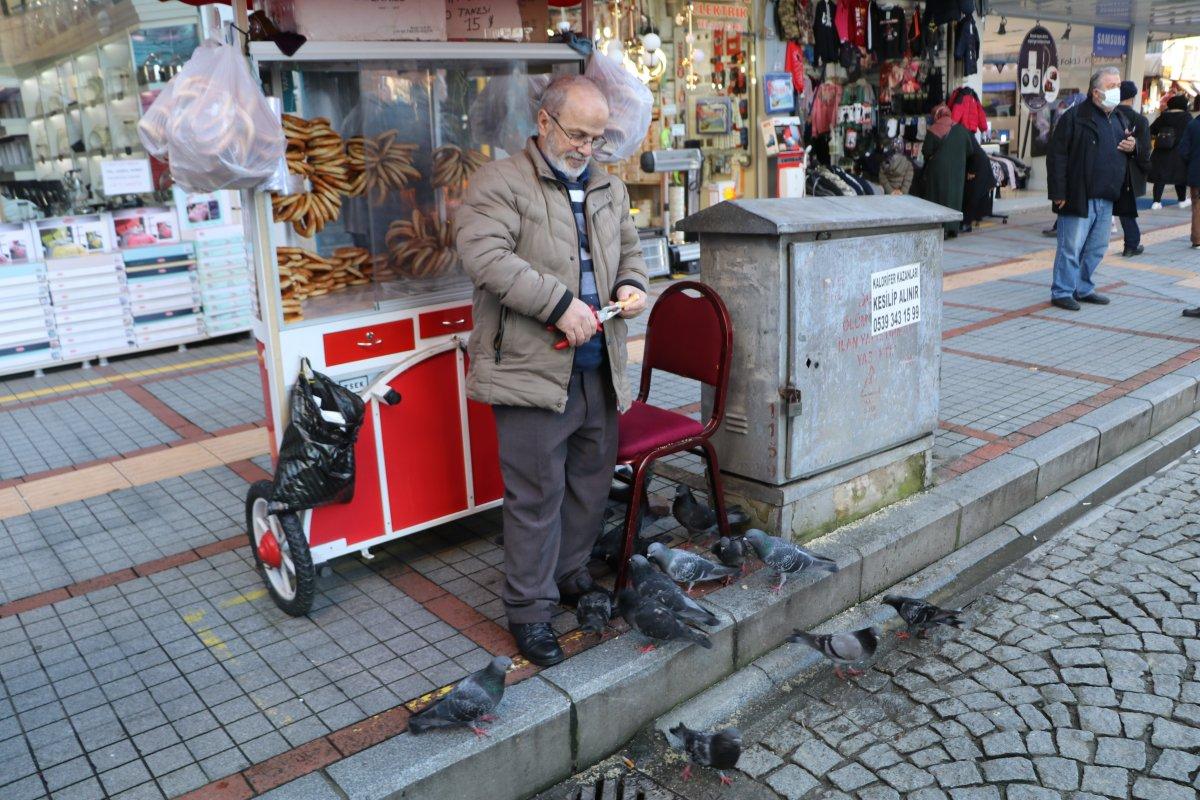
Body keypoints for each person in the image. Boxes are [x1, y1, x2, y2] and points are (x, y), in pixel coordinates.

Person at [455, 75, 648, 666]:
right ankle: (530, 611)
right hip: (532, 369)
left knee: (590, 484)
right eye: (578, 134)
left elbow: (632, 249)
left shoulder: (608, 187)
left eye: (597, 138)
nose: (587, 148)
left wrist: (632, 284)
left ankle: (567, 574)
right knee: (535, 496)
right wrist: (561, 306)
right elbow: (485, 256)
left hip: (598, 367)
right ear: (544, 123)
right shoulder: (498, 183)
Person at [1046, 67, 1137, 311]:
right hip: (1079, 193)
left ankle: (1083, 287)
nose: (1117, 91)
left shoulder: (1119, 118)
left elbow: (1131, 153)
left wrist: (1133, 147)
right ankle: (1062, 291)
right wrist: (1058, 193)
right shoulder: (1075, 117)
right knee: (1071, 247)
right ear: (1096, 92)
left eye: (1118, 85)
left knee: (1096, 248)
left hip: (1107, 196)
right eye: (1111, 87)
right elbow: (1056, 157)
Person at [921, 104, 972, 236]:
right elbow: (970, 150)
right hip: (957, 173)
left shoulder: (933, 130)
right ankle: (953, 229)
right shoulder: (961, 130)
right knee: (954, 199)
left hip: (938, 172)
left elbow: (926, 151)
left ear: (936, 115)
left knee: (938, 199)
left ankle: (941, 229)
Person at [1115, 81, 1151, 257]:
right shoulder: (1140, 120)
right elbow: (1144, 151)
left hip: (1108, 170)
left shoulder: (1109, 116)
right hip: (1131, 173)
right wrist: (1146, 169)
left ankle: (1132, 243)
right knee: (1126, 209)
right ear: (1133, 97)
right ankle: (1131, 244)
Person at [1148, 94, 1192, 210]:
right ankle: (1182, 200)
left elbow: (1151, 130)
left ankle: (1156, 202)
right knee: (1180, 177)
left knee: (1160, 177)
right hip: (1180, 152)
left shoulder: (1163, 117)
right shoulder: (1187, 117)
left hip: (1162, 151)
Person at [961, 134, 996, 233]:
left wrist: (972, 170)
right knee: (973, 194)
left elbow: (974, 154)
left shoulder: (964, 135)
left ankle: (967, 223)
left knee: (972, 195)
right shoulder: (966, 134)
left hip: (977, 167)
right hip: (978, 165)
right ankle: (969, 221)